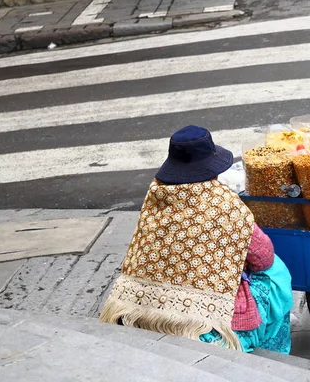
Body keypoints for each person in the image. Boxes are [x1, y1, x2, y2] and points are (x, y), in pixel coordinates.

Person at [99, 125, 293, 354]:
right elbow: (263, 257)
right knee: (276, 274)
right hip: (204, 326)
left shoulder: (156, 195)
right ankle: (275, 356)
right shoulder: (224, 203)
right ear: (212, 169)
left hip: (142, 311)